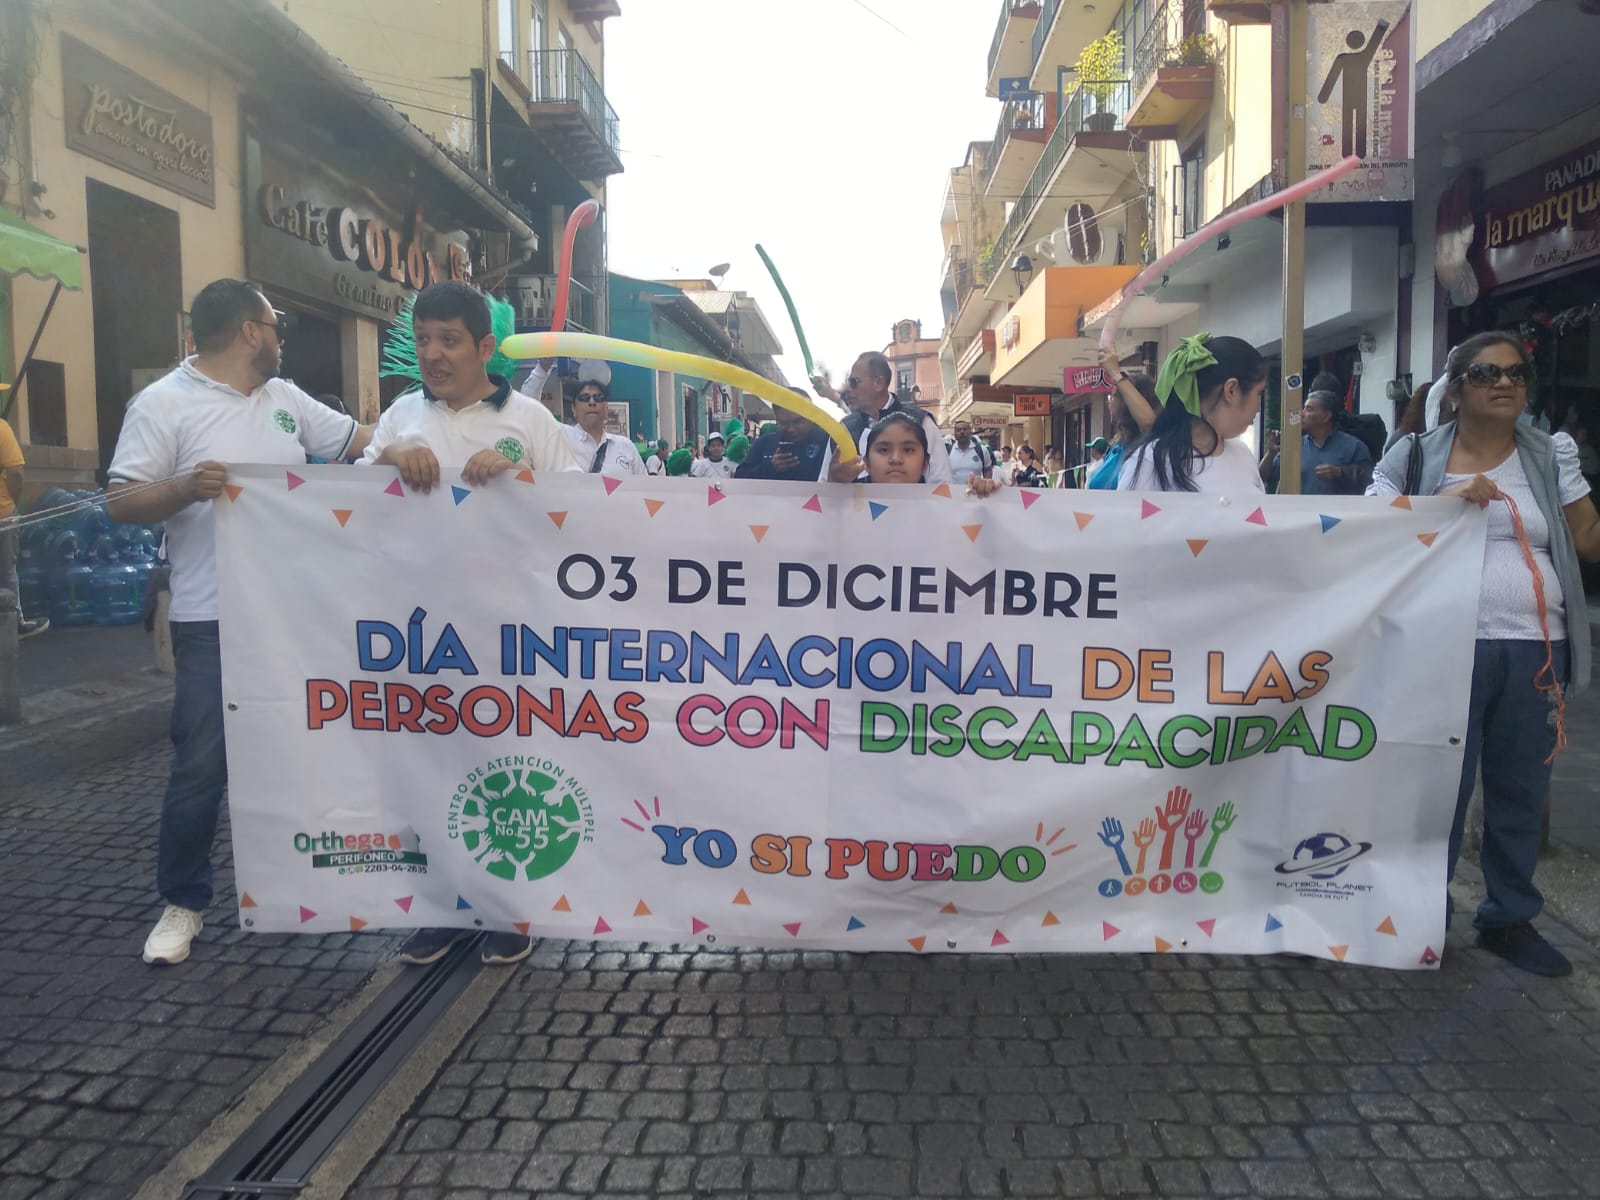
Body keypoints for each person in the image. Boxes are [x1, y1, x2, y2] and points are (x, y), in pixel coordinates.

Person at [106, 278, 371, 966]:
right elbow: (123, 500)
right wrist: (185, 488)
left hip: (296, 617)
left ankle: (302, 886)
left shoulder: (285, 399)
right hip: (212, 618)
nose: (282, 337)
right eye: (275, 324)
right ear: (251, 331)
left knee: (304, 752)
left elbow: (359, 444)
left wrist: (431, 438)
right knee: (201, 765)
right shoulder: (162, 403)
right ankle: (182, 903)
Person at [359, 281, 580, 967]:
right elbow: (348, 505)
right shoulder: (400, 417)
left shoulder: (531, 421)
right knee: (427, 766)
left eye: (449, 340)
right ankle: (441, 908)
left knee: (504, 767)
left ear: (485, 347)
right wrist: (386, 461)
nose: (433, 354)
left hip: (510, 631)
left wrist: (521, 474)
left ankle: (509, 906)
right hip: (418, 636)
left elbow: (584, 509)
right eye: (423, 339)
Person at [1368, 332, 1600, 977]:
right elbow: (1367, 528)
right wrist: (1441, 503)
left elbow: (1586, 539)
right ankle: (1423, 914)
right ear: (1455, 388)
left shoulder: (1549, 454)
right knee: (1436, 790)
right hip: (1440, 651)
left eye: (1517, 374)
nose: (1505, 383)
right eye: (1486, 373)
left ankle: (1509, 919)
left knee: (1520, 789)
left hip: (1536, 653)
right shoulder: (1415, 456)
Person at [1118, 334, 1267, 494]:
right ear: (1231, 390)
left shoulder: (1242, 454)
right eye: (1258, 393)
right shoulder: (1151, 461)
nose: (1258, 408)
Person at [823, 352, 951, 484]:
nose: (848, 389)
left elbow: (942, 483)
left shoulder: (921, 422)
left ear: (878, 383)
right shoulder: (844, 429)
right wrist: (834, 482)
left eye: (854, 382)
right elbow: (822, 486)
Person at [1260, 385, 1372, 494]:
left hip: (1339, 507)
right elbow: (1261, 478)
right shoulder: (1294, 446)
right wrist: (1271, 453)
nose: (1301, 414)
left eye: (1308, 409)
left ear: (1326, 416)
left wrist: (1340, 472)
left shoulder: (1354, 447)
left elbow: (1371, 483)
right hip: (1300, 507)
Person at [1, 415, 48, 638]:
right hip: (2, 513)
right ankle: (14, 623)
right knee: (6, 570)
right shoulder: (1, 429)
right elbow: (15, 472)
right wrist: (15, 500)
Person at [1089, 348, 1160, 490]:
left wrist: (1116, 373)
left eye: (1114, 395)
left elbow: (1149, 423)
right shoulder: (1117, 447)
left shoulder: (1148, 446)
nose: (1109, 401)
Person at [736, 394, 831, 481]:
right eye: (784, 423)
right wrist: (770, 468)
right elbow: (740, 476)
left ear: (811, 418)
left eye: (798, 422)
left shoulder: (827, 442)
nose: (791, 429)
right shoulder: (765, 443)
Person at [566, 377, 645, 475]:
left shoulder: (626, 446)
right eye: (584, 397)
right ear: (573, 408)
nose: (592, 402)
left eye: (598, 397)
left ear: (606, 409)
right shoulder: (562, 439)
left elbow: (644, 484)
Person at [946, 419, 993, 486]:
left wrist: (986, 485)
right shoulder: (947, 451)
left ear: (970, 432)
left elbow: (987, 469)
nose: (962, 432)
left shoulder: (982, 450)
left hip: (975, 491)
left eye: (965, 429)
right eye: (959, 430)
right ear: (955, 435)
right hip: (954, 491)